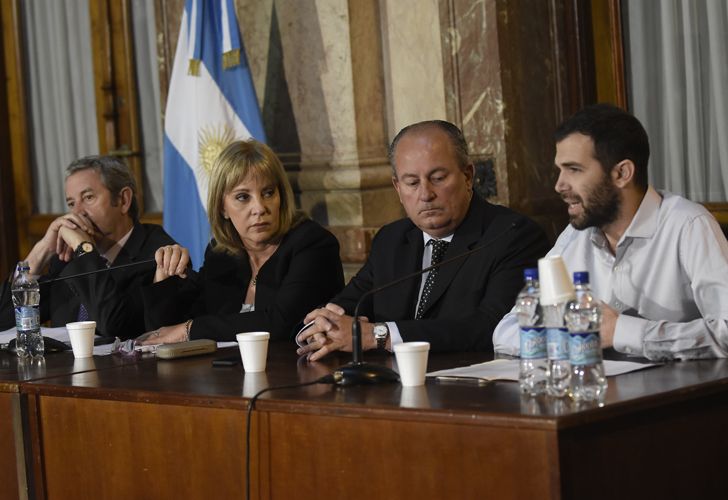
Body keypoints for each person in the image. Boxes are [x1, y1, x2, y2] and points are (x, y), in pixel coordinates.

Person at [297, 120, 550, 360]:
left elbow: (489, 328)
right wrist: (324, 324)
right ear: (397, 188)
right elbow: (351, 302)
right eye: (412, 182)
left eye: (438, 178)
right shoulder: (392, 239)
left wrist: (378, 335)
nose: (425, 194)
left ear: (468, 176)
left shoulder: (513, 236)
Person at [493, 103, 728, 360]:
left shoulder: (689, 225)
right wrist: (573, 336)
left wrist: (621, 331)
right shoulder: (574, 236)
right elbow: (507, 332)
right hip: (599, 392)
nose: (559, 185)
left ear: (621, 173)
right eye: (560, 170)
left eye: (574, 169)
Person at [138, 139, 344, 343]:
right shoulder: (222, 254)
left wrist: (190, 330)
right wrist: (163, 279)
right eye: (243, 197)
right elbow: (164, 332)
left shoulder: (312, 245)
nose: (260, 208)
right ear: (222, 208)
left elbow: (282, 323)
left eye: (268, 193)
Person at [0, 155, 176, 339]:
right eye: (71, 203)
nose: (77, 212)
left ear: (124, 200)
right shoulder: (67, 258)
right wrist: (42, 250)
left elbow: (115, 325)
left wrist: (85, 249)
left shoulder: (158, 254)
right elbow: (4, 321)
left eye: (88, 197)